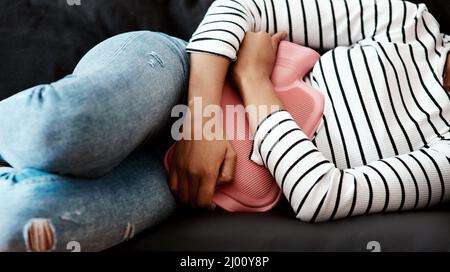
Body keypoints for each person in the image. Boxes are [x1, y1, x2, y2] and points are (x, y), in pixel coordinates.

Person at [0, 0, 448, 252]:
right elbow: (239, 8)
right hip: (176, 75)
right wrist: (202, 123)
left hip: (196, 188)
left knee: (23, 222)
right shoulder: (407, 23)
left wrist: (253, 79)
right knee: (56, 130)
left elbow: (322, 196)